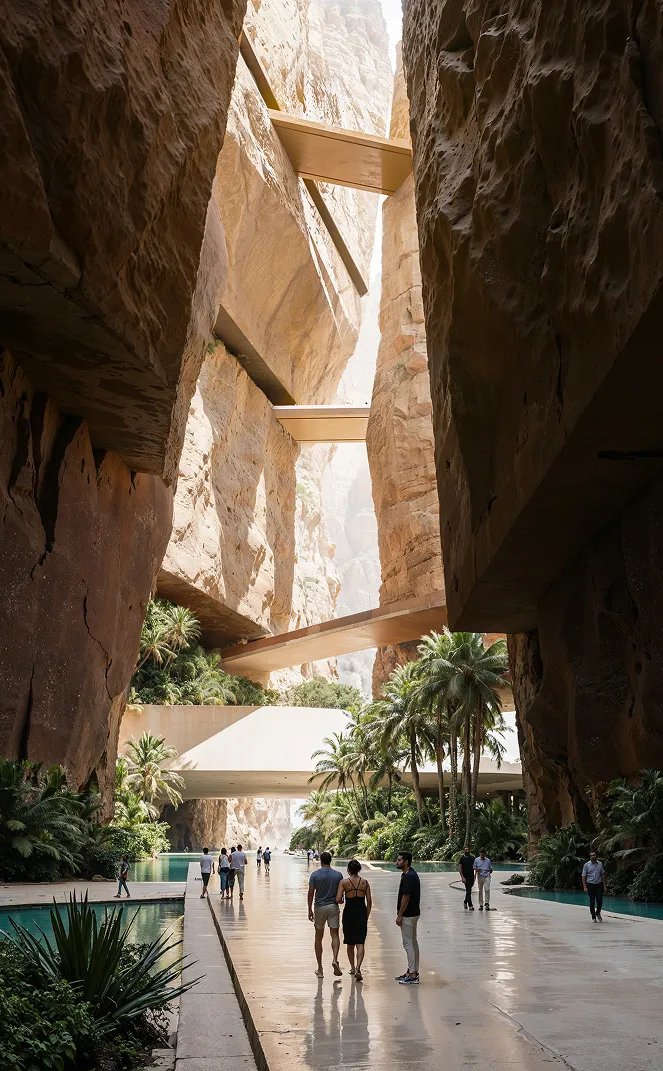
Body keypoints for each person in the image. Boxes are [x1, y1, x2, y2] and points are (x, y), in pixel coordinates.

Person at [308, 850, 344, 977]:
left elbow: (311, 893)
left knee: (319, 937)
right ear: (330, 861)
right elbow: (341, 894)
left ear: (320, 861)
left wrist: (309, 909)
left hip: (320, 907)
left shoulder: (314, 875)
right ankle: (334, 959)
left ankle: (320, 969)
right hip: (333, 907)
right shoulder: (338, 875)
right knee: (335, 935)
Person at [336, 859, 372, 981]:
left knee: (350, 943)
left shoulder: (344, 882)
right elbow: (369, 901)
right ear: (359, 869)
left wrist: (342, 900)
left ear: (348, 870)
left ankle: (352, 967)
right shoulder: (365, 882)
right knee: (360, 942)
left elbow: (338, 899)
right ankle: (358, 968)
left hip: (349, 914)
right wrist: (366, 916)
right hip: (361, 913)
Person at [395, 851, 421, 984]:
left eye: (399, 860)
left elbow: (406, 897)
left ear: (406, 862)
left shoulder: (409, 877)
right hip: (414, 913)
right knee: (413, 942)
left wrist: (400, 914)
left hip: (408, 914)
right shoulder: (410, 874)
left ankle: (412, 975)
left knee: (408, 943)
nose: (397, 862)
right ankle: (412, 970)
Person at [582, 850, 607, 922]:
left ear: (596, 856)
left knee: (600, 900)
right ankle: (593, 917)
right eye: (591, 855)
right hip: (590, 885)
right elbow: (583, 876)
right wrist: (585, 887)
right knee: (592, 901)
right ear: (590, 857)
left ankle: (598, 913)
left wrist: (604, 886)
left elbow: (603, 874)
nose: (593, 857)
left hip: (599, 885)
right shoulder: (586, 865)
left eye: (594, 855)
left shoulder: (600, 864)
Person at [459, 845, 475, 910]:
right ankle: (470, 905)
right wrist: (462, 877)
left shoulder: (472, 858)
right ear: (464, 850)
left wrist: (474, 878)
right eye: (466, 850)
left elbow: (475, 867)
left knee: (469, 890)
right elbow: (460, 868)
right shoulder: (462, 858)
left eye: (468, 850)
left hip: (471, 876)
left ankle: (465, 902)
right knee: (468, 891)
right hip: (466, 877)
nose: (467, 851)